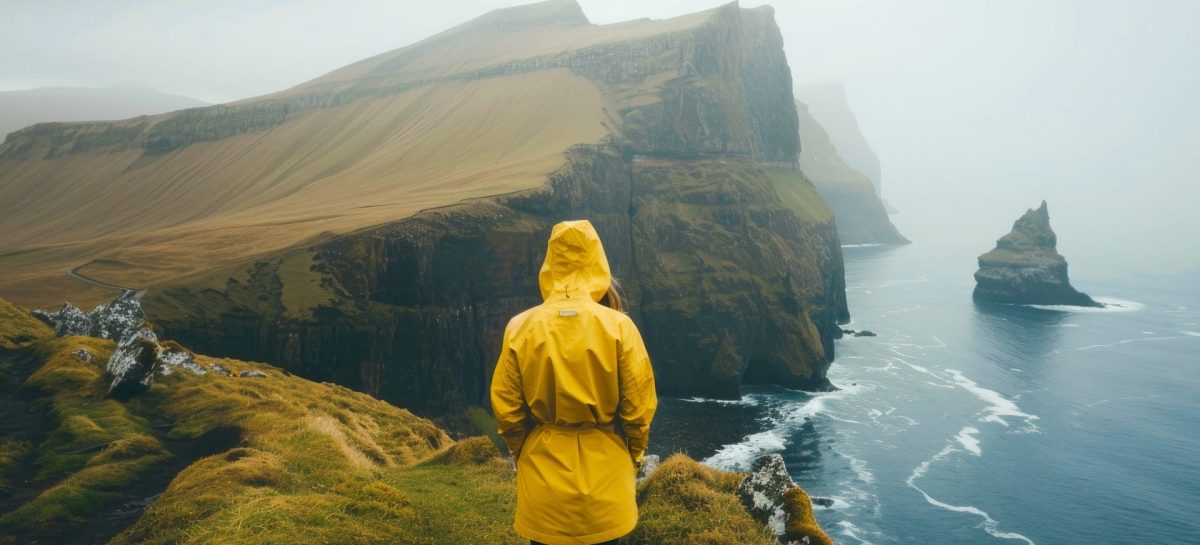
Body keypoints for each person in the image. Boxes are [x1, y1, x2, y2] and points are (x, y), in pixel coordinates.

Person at [490, 219, 658, 545]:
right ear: (597, 260)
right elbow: (639, 410)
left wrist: (523, 453)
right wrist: (632, 457)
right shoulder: (620, 328)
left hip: (544, 486)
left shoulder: (519, 327)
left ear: (550, 262)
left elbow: (507, 409)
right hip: (607, 487)